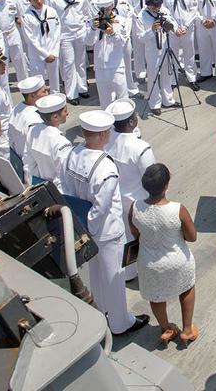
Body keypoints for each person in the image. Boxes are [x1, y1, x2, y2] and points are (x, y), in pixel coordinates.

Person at [63, 110, 150, 336]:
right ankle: (120, 323)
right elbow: (101, 208)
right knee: (114, 278)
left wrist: (82, 229)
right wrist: (91, 229)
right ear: (102, 134)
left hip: (83, 225)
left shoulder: (73, 154)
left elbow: (68, 190)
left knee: (96, 276)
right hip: (106, 231)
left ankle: (100, 313)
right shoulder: (105, 167)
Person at [130, 163, 198, 346]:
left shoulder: (135, 207)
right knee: (187, 288)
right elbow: (192, 237)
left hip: (149, 263)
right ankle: (186, 330)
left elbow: (135, 233)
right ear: (166, 185)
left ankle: (166, 328)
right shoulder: (177, 209)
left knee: (156, 296)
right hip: (177, 261)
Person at [105, 98, 158, 281]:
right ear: (131, 121)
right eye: (135, 115)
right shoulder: (141, 148)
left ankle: (128, 273)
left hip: (117, 197)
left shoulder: (107, 139)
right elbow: (153, 180)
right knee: (145, 240)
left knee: (126, 239)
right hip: (138, 203)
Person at [24, 93, 71, 188]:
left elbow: (28, 164)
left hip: (39, 185)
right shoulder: (61, 142)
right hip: (56, 190)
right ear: (55, 117)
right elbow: (64, 176)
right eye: (65, 111)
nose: (67, 113)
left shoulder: (33, 131)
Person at [9, 75, 47, 181]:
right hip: (35, 171)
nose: (47, 94)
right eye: (44, 92)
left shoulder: (16, 108)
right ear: (32, 96)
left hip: (19, 162)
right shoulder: (35, 120)